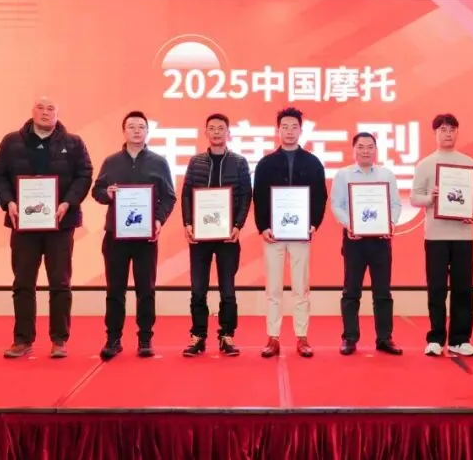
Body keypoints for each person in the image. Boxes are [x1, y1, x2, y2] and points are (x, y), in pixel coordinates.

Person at [0, 97, 94, 359]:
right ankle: (22, 339)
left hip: (61, 224)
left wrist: (68, 203)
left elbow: (85, 174)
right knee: (23, 282)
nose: (45, 112)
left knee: (60, 282)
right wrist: (9, 202)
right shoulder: (11, 141)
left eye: (51, 109)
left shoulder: (74, 142)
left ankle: (59, 339)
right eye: (41, 108)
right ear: (32, 112)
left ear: (57, 115)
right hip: (23, 224)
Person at [92, 111, 177, 360]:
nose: (136, 130)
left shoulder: (159, 162)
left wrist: (158, 220)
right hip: (115, 237)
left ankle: (145, 338)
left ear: (147, 132)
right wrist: (106, 193)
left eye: (141, 127)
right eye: (131, 126)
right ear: (124, 131)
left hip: (145, 238)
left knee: (146, 289)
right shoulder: (111, 162)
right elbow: (96, 191)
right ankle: (113, 338)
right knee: (114, 289)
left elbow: (169, 196)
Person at [253, 107, 328, 358]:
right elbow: (258, 197)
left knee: (301, 287)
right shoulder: (266, 163)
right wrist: (263, 226)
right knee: (273, 288)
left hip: (300, 234)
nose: (289, 131)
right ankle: (272, 337)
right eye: (284, 127)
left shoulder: (313, 162)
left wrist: (313, 223)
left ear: (300, 130)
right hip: (273, 235)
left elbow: (320, 196)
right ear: (278, 130)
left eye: (294, 127)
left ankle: (302, 337)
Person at [411, 113, 473, 357]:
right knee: (437, 288)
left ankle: (460, 340)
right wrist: (430, 198)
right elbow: (414, 197)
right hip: (436, 235)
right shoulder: (425, 164)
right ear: (435, 133)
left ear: (457, 133)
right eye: (443, 129)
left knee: (463, 287)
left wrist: (472, 211)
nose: (448, 134)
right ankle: (435, 338)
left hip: (463, 234)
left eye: (452, 129)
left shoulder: (468, 162)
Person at [180, 113, 252, 357]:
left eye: (221, 128)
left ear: (228, 133)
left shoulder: (239, 162)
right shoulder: (196, 161)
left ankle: (226, 335)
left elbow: (246, 196)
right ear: (206, 133)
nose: (217, 132)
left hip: (228, 236)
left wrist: (238, 225)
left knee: (227, 290)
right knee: (198, 289)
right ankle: (198, 336)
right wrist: (188, 223)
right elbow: (187, 194)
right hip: (200, 237)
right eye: (212, 128)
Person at [331, 132, 403, 356]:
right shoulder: (343, 175)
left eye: (370, 146)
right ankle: (349, 337)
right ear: (354, 150)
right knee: (351, 291)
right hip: (354, 240)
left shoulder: (386, 174)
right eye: (361, 147)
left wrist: (390, 223)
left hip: (381, 241)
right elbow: (337, 205)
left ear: (376, 150)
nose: (365, 151)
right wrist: (349, 225)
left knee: (383, 292)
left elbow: (395, 204)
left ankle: (384, 338)